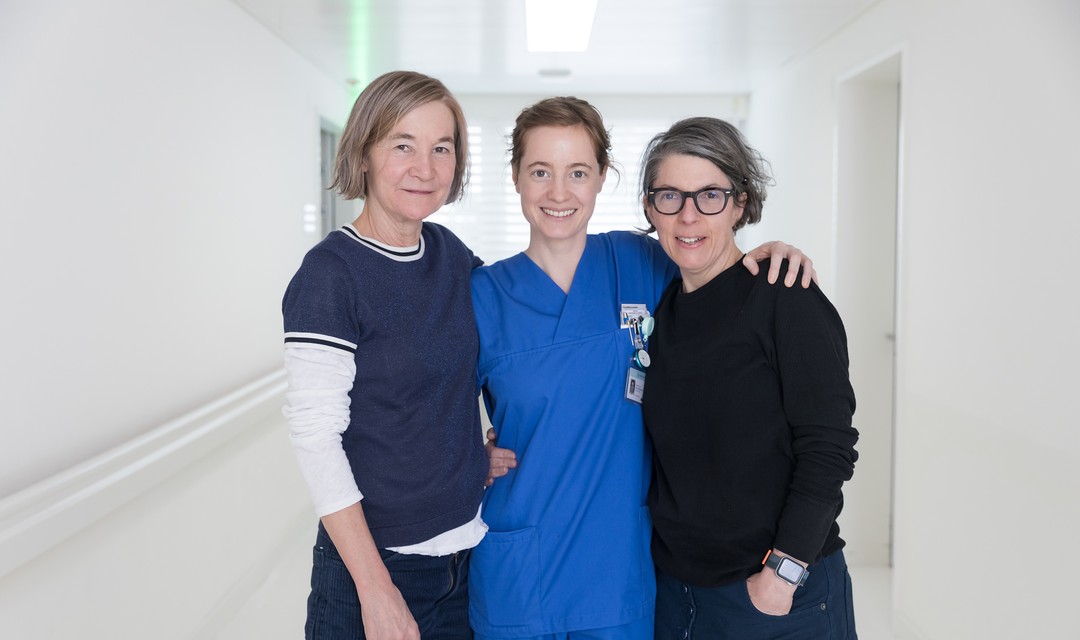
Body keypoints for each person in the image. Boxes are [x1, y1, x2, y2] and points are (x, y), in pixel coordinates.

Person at [469, 98, 817, 640]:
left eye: (578, 172)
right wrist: (466, 454)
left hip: (620, 575)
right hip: (519, 572)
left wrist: (770, 253)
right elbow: (421, 404)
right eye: (541, 172)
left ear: (602, 177)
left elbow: (715, 265)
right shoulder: (480, 297)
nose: (559, 193)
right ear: (515, 176)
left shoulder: (643, 263)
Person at [282, 70, 490, 640]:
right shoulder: (330, 275)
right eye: (403, 145)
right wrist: (376, 591)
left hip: (466, 560)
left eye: (441, 148)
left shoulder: (451, 255)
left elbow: (499, 350)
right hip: (375, 572)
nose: (425, 168)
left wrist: (475, 453)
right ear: (365, 153)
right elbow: (315, 437)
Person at [639, 117, 859, 639]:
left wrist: (781, 574)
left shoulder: (786, 297)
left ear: (740, 202)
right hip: (677, 593)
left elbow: (828, 448)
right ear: (650, 207)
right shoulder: (660, 307)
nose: (689, 215)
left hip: (776, 596)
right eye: (670, 195)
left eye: (710, 195)